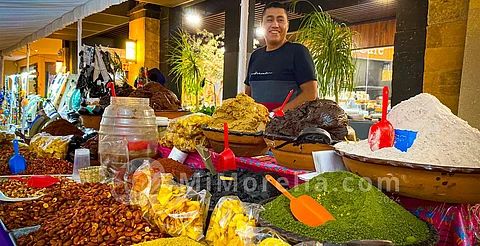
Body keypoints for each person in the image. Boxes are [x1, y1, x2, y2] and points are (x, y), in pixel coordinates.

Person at [245, 1, 318, 112]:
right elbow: (248, 95)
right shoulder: (255, 56)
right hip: (256, 127)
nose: (275, 25)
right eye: (269, 20)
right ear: (262, 25)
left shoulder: (298, 52)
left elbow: (311, 94)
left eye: (280, 20)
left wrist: (278, 113)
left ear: (287, 25)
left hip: (288, 126)